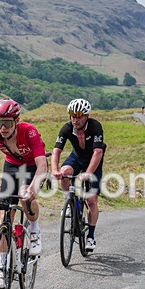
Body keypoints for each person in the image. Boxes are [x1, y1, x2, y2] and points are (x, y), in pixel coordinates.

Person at [0, 98, 48, 289]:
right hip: (12, 166)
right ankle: (2, 270)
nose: (3, 127)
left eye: (7, 123)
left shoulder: (28, 131)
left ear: (16, 121)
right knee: (4, 218)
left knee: (24, 195)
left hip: (32, 166)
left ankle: (35, 229)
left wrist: (33, 189)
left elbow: (42, 165)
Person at [51, 98, 105, 251]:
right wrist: (55, 169)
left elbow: (98, 152)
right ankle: (69, 201)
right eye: (73, 116)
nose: (75, 120)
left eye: (79, 116)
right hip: (77, 156)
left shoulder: (95, 127)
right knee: (65, 172)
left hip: (94, 160)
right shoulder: (67, 128)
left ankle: (91, 237)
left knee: (92, 200)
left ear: (87, 116)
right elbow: (56, 150)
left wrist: (88, 173)